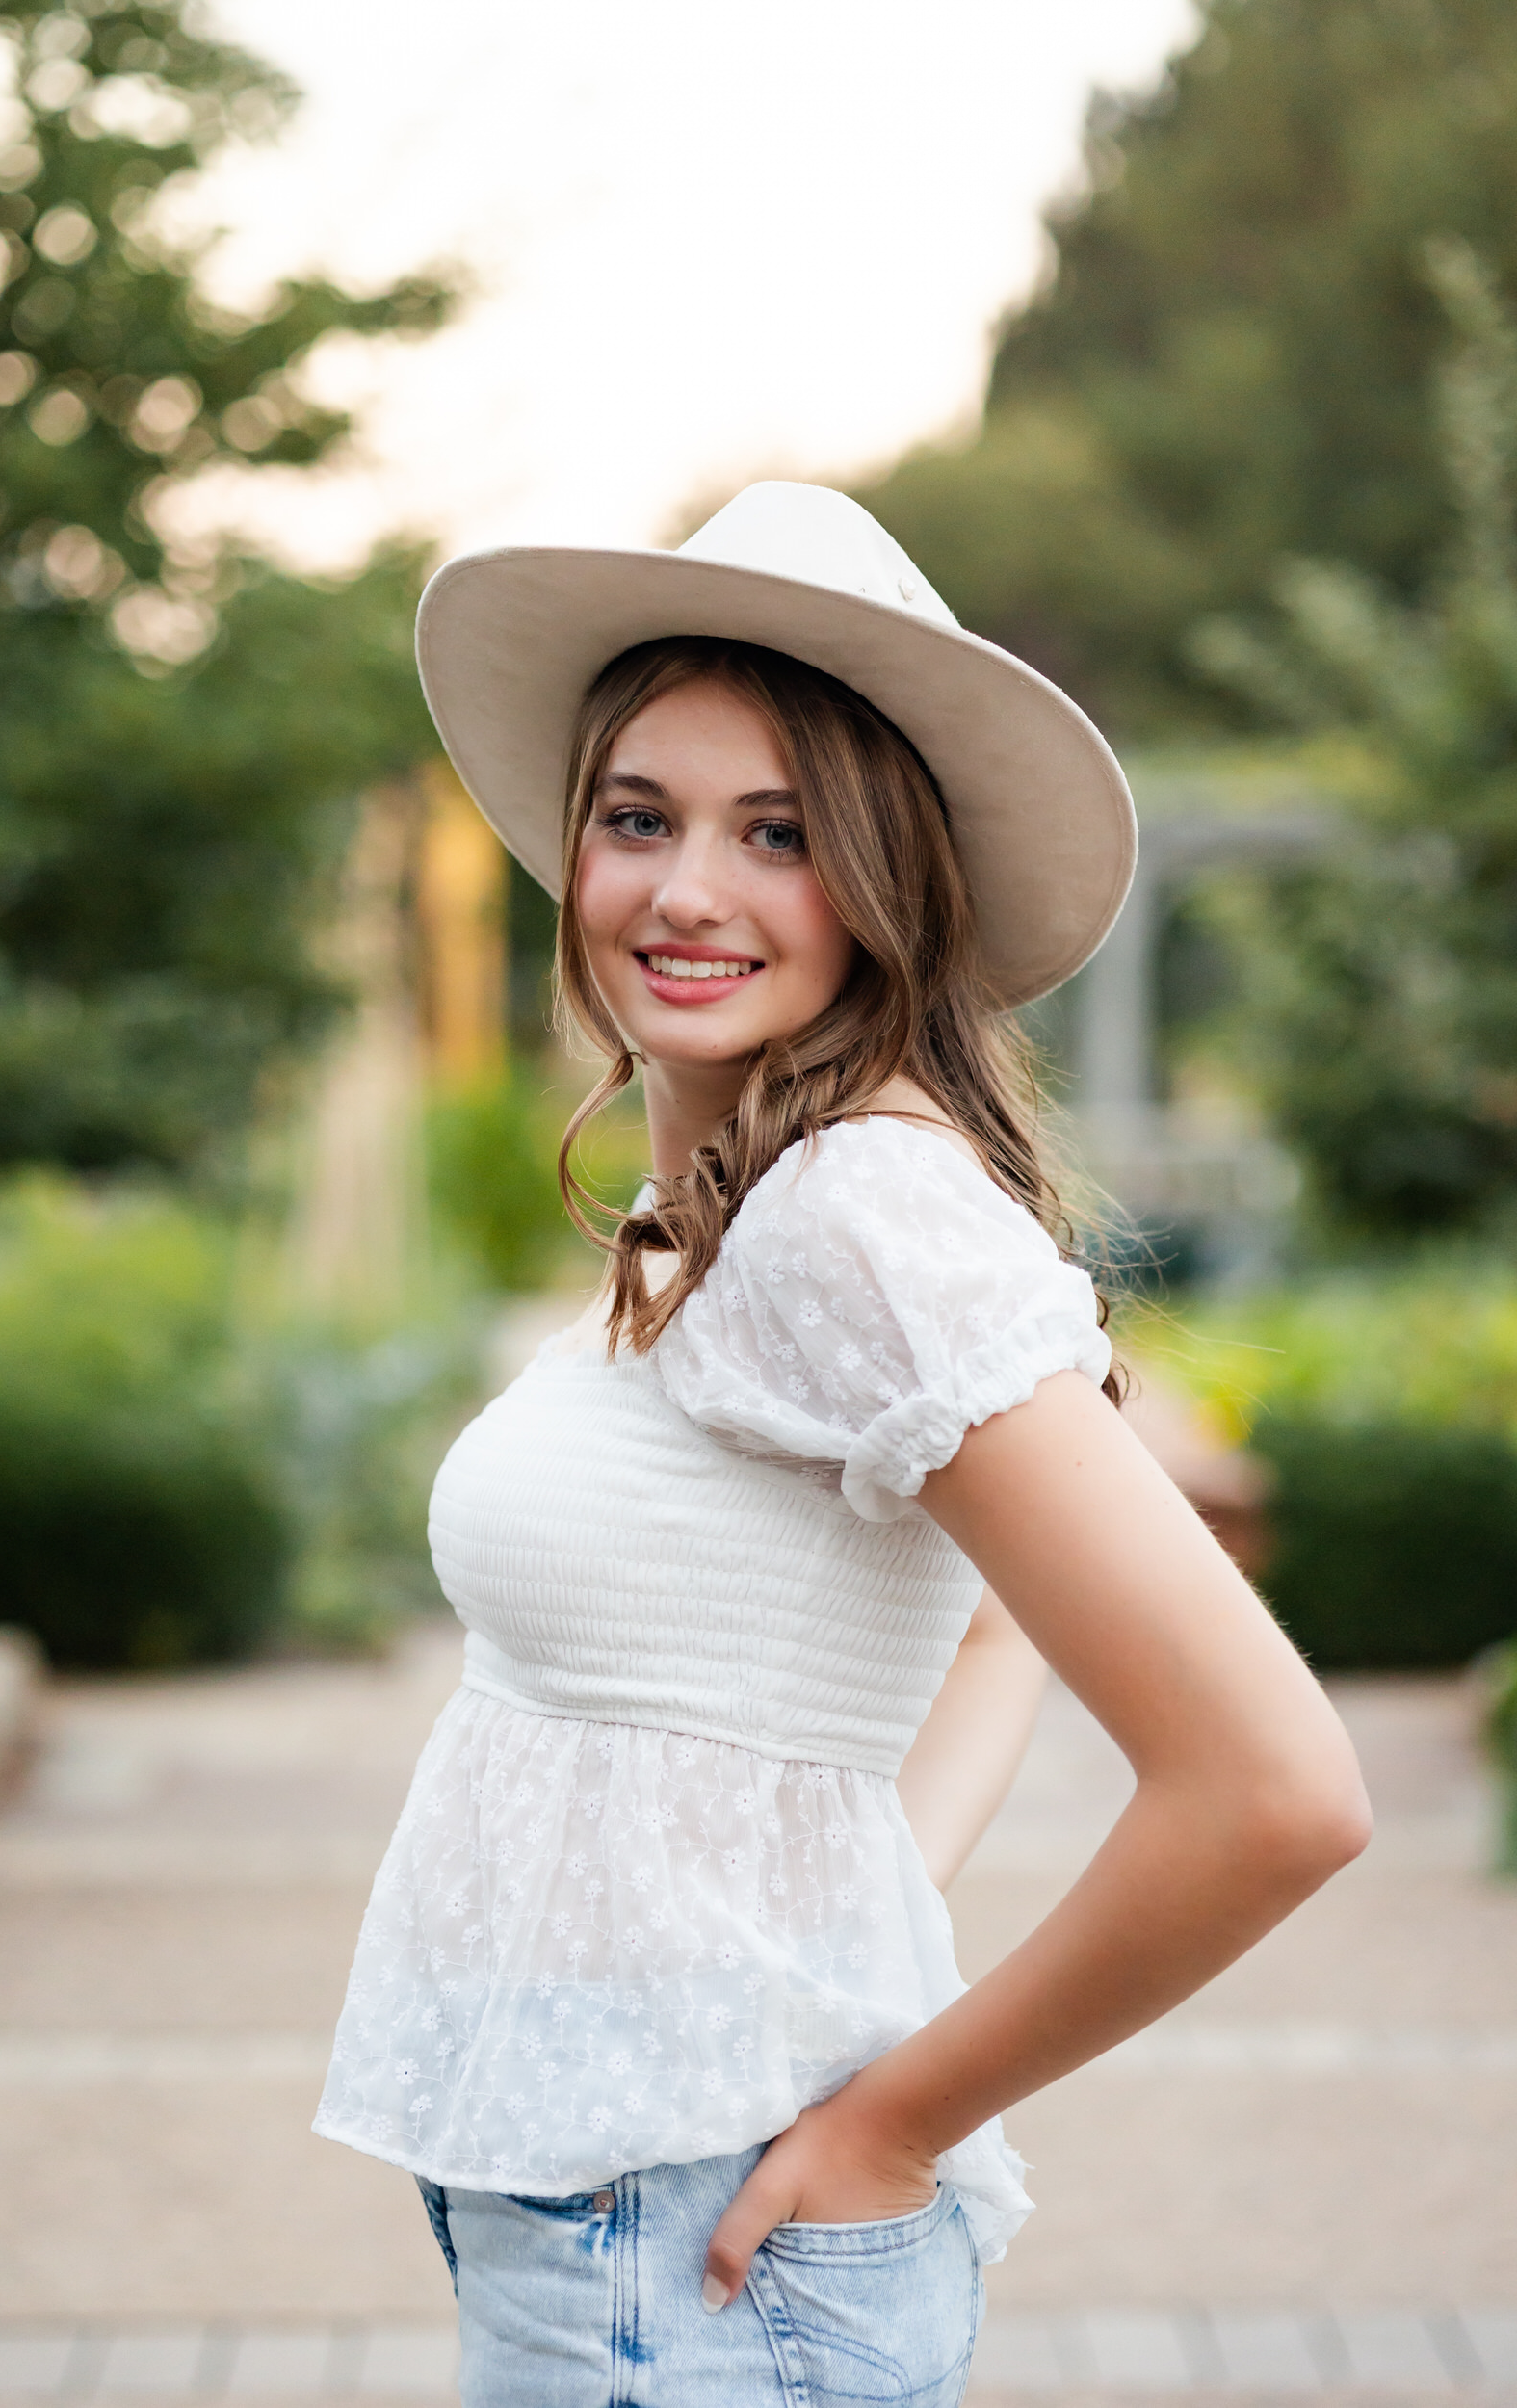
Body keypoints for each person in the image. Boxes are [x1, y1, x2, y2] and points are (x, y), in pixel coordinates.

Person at [314, 483, 1371, 2407]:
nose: (684, 890)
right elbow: (994, 1622)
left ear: (887, 883)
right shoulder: (737, 1203)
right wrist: (839, 1920)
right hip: (621, 2216)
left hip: (688, 2257)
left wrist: (894, 2113)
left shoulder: (853, 1209)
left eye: (779, 833)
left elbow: (1274, 1789)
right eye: (639, 816)